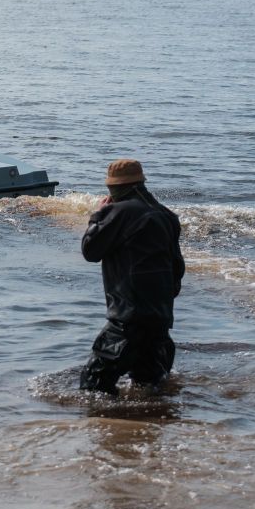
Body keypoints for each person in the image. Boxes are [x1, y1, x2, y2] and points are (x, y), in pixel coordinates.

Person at [79, 159, 185, 394]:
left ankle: (107, 429)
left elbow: (90, 251)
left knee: (92, 389)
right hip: (160, 322)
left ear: (114, 188)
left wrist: (99, 215)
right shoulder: (166, 215)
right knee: (151, 390)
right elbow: (177, 270)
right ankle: (152, 428)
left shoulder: (118, 212)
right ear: (141, 182)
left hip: (126, 323)